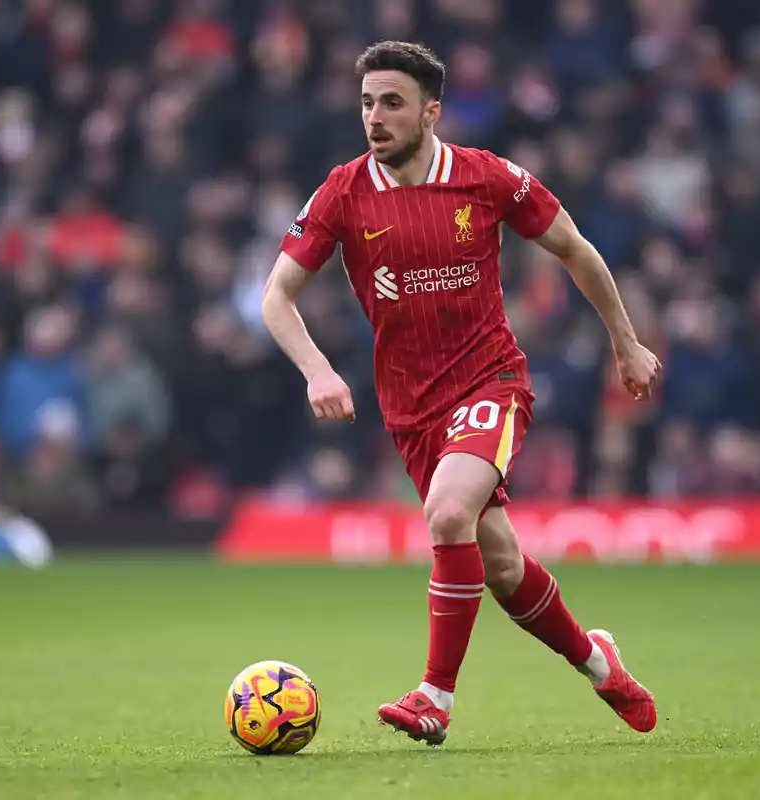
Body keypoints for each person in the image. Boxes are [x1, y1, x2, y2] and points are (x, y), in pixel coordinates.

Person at [261, 41, 662, 746]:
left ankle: (434, 698)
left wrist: (625, 342)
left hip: (490, 381)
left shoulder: (485, 178)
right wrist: (316, 368)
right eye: (366, 103)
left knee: (448, 515)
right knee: (501, 564)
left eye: (391, 103)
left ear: (431, 111)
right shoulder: (342, 193)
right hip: (410, 410)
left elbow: (575, 248)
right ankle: (603, 666)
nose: (375, 118)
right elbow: (277, 296)